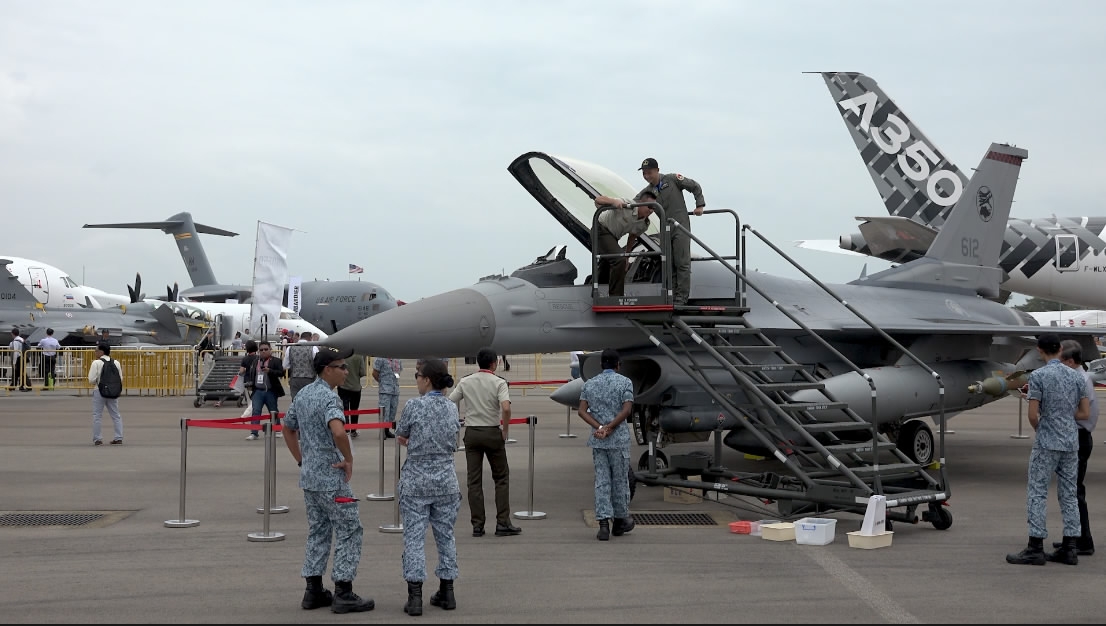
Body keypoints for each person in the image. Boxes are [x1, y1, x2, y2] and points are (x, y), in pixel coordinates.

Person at [281, 345, 375, 614]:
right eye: (341, 367)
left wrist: (301, 459)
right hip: (332, 478)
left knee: (319, 531)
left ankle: (313, 590)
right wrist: (349, 459)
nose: (346, 371)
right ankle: (343, 590)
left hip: (310, 477)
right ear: (327, 370)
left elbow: (288, 429)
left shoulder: (304, 395)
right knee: (350, 529)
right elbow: (339, 432)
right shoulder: (329, 399)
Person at [1007, 333, 1090, 566]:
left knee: (1037, 492)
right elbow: (1084, 413)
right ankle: (1070, 546)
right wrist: (1063, 415)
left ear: (1040, 350)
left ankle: (1035, 546)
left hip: (1047, 442)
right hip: (1070, 441)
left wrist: (1043, 425)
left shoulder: (1039, 376)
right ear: (1060, 348)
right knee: (1069, 494)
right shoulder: (1076, 377)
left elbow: (1033, 414)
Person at [396, 358, 461, 616]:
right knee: (446, 536)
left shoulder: (414, 406)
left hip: (417, 480)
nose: (416, 380)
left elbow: (402, 432)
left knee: (414, 538)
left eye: (417, 376)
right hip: (446, 479)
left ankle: (415, 597)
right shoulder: (451, 408)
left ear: (427, 379)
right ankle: (447, 591)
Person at [448, 346, 521, 537]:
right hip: (491, 432)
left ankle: (478, 525)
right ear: (494, 363)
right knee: (501, 478)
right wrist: (505, 429)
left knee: (474, 481)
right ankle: (503, 522)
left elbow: (450, 401)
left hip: (472, 432)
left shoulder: (466, 381)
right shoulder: (499, 382)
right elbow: (505, 408)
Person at [577, 348, 636, 541]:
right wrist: (610, 427)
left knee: (602, 481)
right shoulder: (625, 382)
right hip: (618, 440)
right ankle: (620, 521)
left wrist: (600, 427)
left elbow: (582, 411)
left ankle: (603, 524)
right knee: (620, 481)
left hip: (598, 439)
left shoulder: (590, 384)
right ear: (618, 365)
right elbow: (627, 410)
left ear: (602, 364)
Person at [637, 157, 706, 305]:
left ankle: (681, 297)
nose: (647, 176)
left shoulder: (672, 179)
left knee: (682, 262)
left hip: (680, 226)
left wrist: (699, 205)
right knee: (669, 263)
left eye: (649, 172)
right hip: (665, 229)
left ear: (657, 170)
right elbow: (633, 202)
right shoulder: (648, 191)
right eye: (644, 173)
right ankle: (672, 295)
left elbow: (694, 186)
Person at [1056, 339, 1098, 556]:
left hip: (1078, 437)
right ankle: (1076, 536)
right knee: (1072, 490)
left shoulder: (1078, 380)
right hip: (1080, 435)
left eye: (1060, 361)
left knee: (1073, 491)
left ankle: (1082, 541)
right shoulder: (1082, 377)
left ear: (1070, 361)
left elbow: (1078, 412)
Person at [592, 191, 656, 297]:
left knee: (608, 264)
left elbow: (632, 237)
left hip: (613, 237)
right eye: (649, 206)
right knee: (618, 259)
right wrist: (613, 202)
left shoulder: (644, 224)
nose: (651, 210)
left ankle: (598, 292)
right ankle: (616, 296)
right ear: (640, 203)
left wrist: (627, 256)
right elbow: (598, 200)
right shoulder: (627, 205)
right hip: (601, 230)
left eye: (653, 208)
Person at [244, 341, 285, 441]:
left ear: (270, 350)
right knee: (256, 411)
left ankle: (277, 429)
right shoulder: (255, 361)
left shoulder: (276, 361)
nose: (263, 352)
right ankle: (254, 432)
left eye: (266, 349)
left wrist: (270, 371)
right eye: (261, 350)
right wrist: (249, 383)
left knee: (273, 411)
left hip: (270, 390)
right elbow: (251, 373)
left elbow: (281, 373)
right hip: (258, 390)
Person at [87, 342, 124, 445]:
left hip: (99, 390)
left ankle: (97, 439)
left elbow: (91, 379)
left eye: (96, 350)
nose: (95, 352)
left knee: (97, 415)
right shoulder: (116, 362)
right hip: (113, 391)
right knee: (116, 415)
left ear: (101, 351)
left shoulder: (96, 363)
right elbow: (120, 378)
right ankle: (118, 437)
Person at [372, 357, 403, 439]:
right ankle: (382, 432)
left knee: (393, 411)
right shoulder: (380, 358)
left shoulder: (398, 359)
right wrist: (382, 382)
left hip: (395, 389)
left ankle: (387, 430)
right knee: (385, 412)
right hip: (385, 390)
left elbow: (399, 372)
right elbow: (375, 373)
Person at [338, 353, 367, 438]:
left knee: (344, 409)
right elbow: (362, 372)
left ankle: (346, 429)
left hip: (343, 386)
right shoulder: (359, 356)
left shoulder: (342, 356)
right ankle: (353, 430)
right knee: (354, 409)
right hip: (355, 387)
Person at [285, 336, 316, 401]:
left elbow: (285, 365)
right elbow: (317, 364)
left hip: (294, 378)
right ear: (310, 338)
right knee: (309, 401)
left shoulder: (290, 348)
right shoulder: (313, 348)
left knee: (295, 401)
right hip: (309, 378)